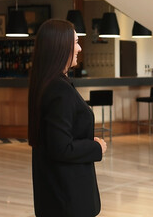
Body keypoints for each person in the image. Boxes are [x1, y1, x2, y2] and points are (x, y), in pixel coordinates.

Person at [28, 19, 107, 217]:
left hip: (55, 192)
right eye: (76, 42)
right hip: (66, 196)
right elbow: (61, 147)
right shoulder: (58, 90)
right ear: (60, 46)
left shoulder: (48, 84)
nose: (79, 48)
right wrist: (96, 147)